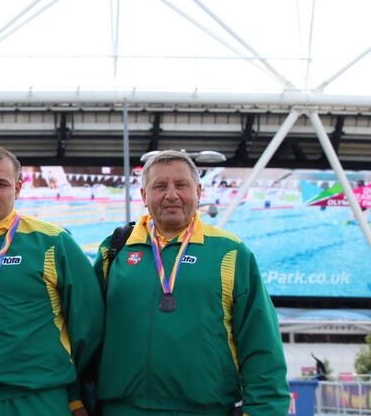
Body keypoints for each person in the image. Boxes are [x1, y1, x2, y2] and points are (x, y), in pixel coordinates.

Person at [93, 150, 289, 415]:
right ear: (143, 196)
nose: (171, 195)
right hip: (123, 408)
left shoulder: (230, 252)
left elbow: (261, 342)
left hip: (206, 409)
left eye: (181, 185)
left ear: (198, 191)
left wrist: (263, 410)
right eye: (159, 186)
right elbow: (87, 334)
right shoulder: (115, 250)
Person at [0, 145, 103, 416]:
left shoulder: (53, 243)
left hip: (38, 397)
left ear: (18, 188)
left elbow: (88, 326)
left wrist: (70, 388)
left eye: (1, 184)